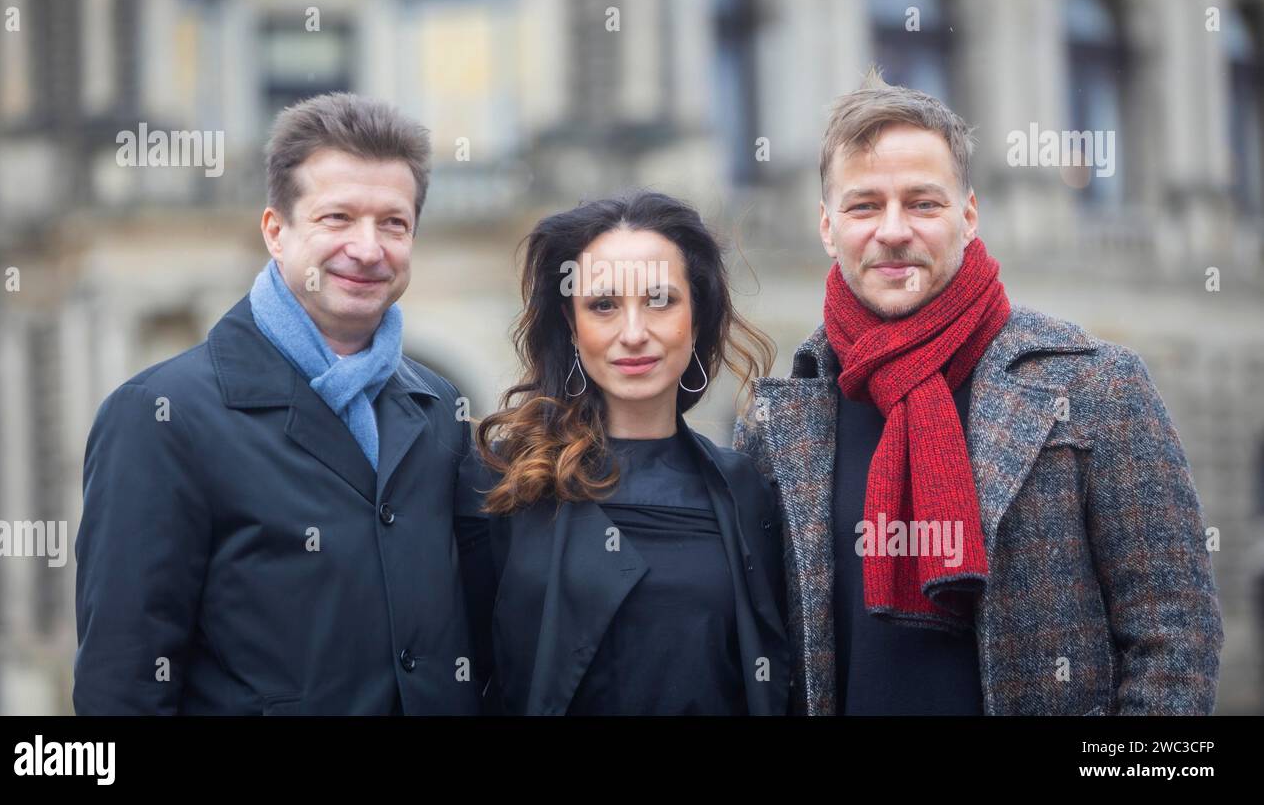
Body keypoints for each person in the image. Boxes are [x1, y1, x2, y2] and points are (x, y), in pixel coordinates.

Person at [735, 68, 1223, 715]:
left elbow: (1175, 638)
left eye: (923, 203)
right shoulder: (779, 418)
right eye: (863, 205)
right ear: (828, 228)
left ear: (968, 216)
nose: (893, 230)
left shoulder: (1096, 384)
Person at [74, 93, 481, 714]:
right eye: (337, 218)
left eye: (393, 223)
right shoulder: (160, 415)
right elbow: (121, 686)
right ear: (276, 232)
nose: (368, 250)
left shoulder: (437, 408)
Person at [455, 190, 789, 715]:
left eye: (660, 300)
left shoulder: (748, 490)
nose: (633, 334)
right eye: (604, 305)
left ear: (696, 316)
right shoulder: (503, 479)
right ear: (572, 323)